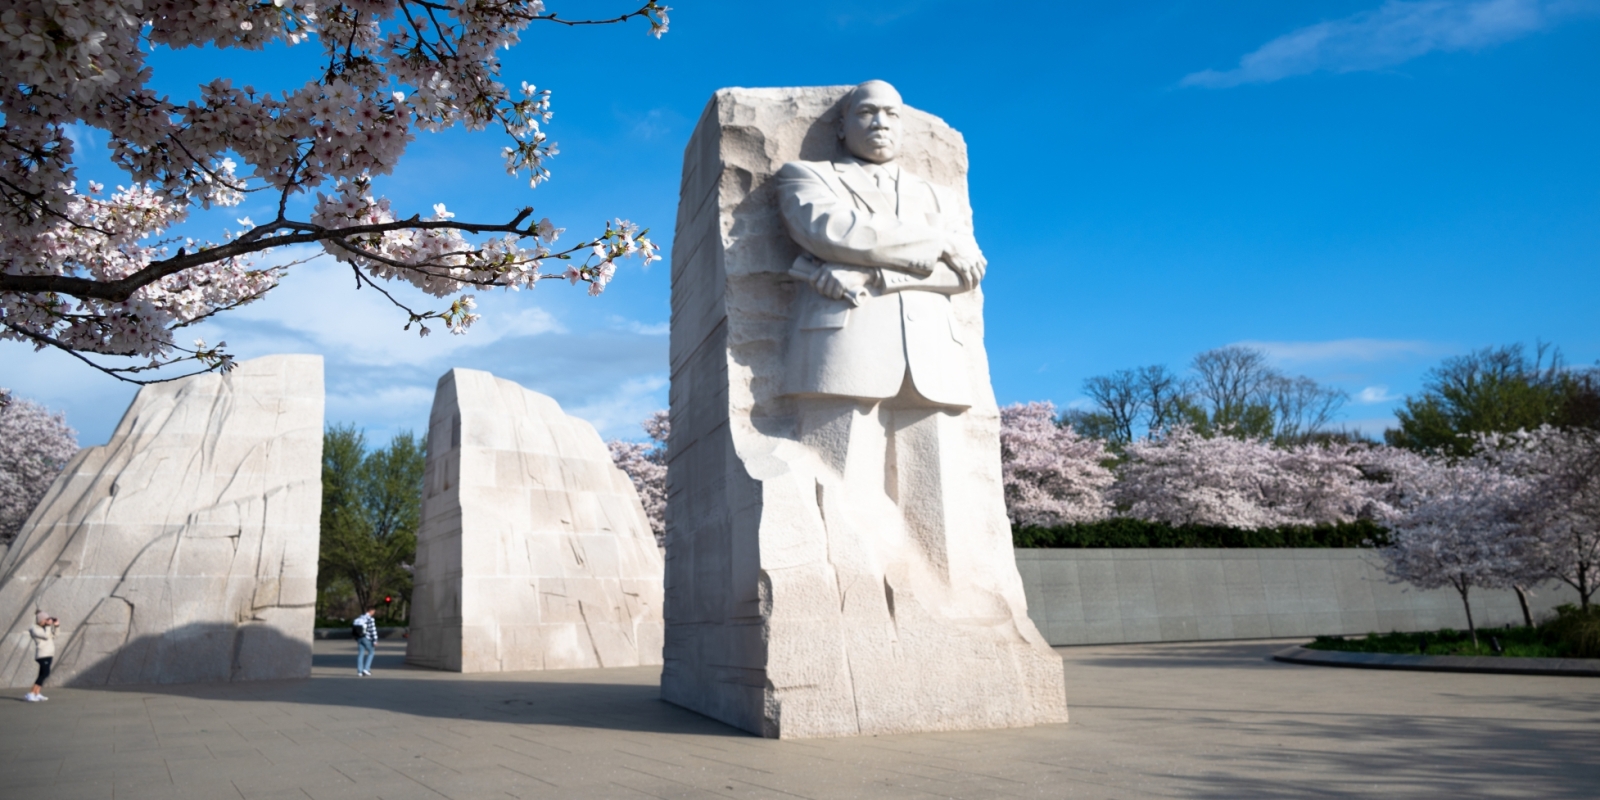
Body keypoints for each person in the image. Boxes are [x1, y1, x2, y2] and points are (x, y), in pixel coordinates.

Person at [773, 79, 988, 578]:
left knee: (942, 517)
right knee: (840, 489)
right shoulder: (805, 175)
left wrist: (869, 272)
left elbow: (965, 271)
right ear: (843, 126)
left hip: (933, 358)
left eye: (892, 114)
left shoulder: (940, 195)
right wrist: (936, 243)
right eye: (867, 112)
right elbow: (831, 231)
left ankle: (951, 615)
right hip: (844, 347)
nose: (880, 123)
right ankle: (850, 605)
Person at [26, 611, 58, 702]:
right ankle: (31, 693)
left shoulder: (45, 628)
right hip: (42, 654)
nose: (49, 621)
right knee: (45, 673)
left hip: (49, 654)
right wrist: (48, 626)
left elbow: (55, 635)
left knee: (43, 674)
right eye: (47, 619)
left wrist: (56, 626)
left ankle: (37, 693)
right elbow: (46, 636)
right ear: (41, 620)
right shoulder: (34, 629)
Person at [354, 606, 378, 676]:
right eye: (373, 612)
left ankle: (359, 671)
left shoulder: (360, 618)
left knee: (360, 654)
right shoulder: (370, 619)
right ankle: (366, 669)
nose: (374, 613)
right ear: (371, 611)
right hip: (367, 638)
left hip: (359, 638)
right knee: (371, 652)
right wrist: (375, 640)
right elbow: (373, 630)